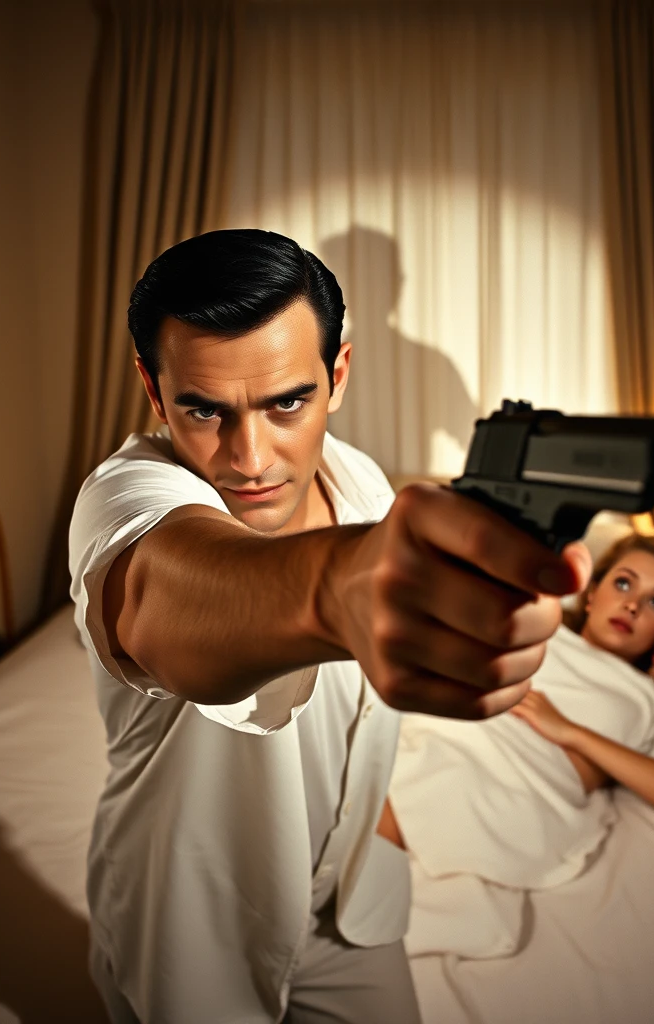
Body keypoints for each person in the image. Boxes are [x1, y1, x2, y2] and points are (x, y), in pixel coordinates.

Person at [68, 228, 591, 1024]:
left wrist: (369, 819)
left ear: (337, 374)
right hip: (191, 932)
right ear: (153, 386)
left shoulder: (366, 484)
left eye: (287, 402)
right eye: (203, 409)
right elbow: (159, 597)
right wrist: (329, 590)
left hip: (352, 904)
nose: (249, 456)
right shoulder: (125, 496)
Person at [377, 532, 654, 908]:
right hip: (449, 728)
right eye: (623, 583)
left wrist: (577, 731)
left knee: (399, 795)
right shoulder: (538, 623)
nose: (633, 605)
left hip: (508, 781)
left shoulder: (650, 698)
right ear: (592, 594)